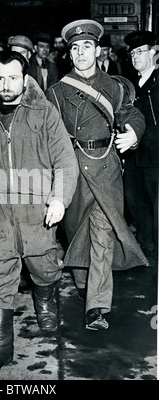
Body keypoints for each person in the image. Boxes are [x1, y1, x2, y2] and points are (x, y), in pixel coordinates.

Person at [0, 49, 79, 374]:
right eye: (0, 78)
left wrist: (58, 198)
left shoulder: (44, 114)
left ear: (25, 78)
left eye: (13, 77)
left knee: (43, 266)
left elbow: (65, 160)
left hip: (37, 212)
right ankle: (0, 347)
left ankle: (44, 299)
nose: (5, 85)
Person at [46, 19, 148, 331]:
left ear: (98, 50)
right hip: (73, 171)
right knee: (76, 233)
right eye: (74, 48)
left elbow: (132, 113)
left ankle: (96, 307)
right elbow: (50, 135)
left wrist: (133, 133)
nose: (80, 52)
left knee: (102, 237)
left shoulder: (114, 86)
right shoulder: (58, 91)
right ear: (69, 54)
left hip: (105, 169)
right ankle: (83, 284)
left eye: (86, 46)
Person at [122, 30, 158, 266]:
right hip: (133, 156)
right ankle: (146, 247)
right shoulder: (129, 85)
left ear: (154, 53)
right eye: (132, 52)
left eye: (140, 51)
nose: (135, 56)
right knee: (135, 202)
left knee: (156, 206)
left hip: (155, 157)